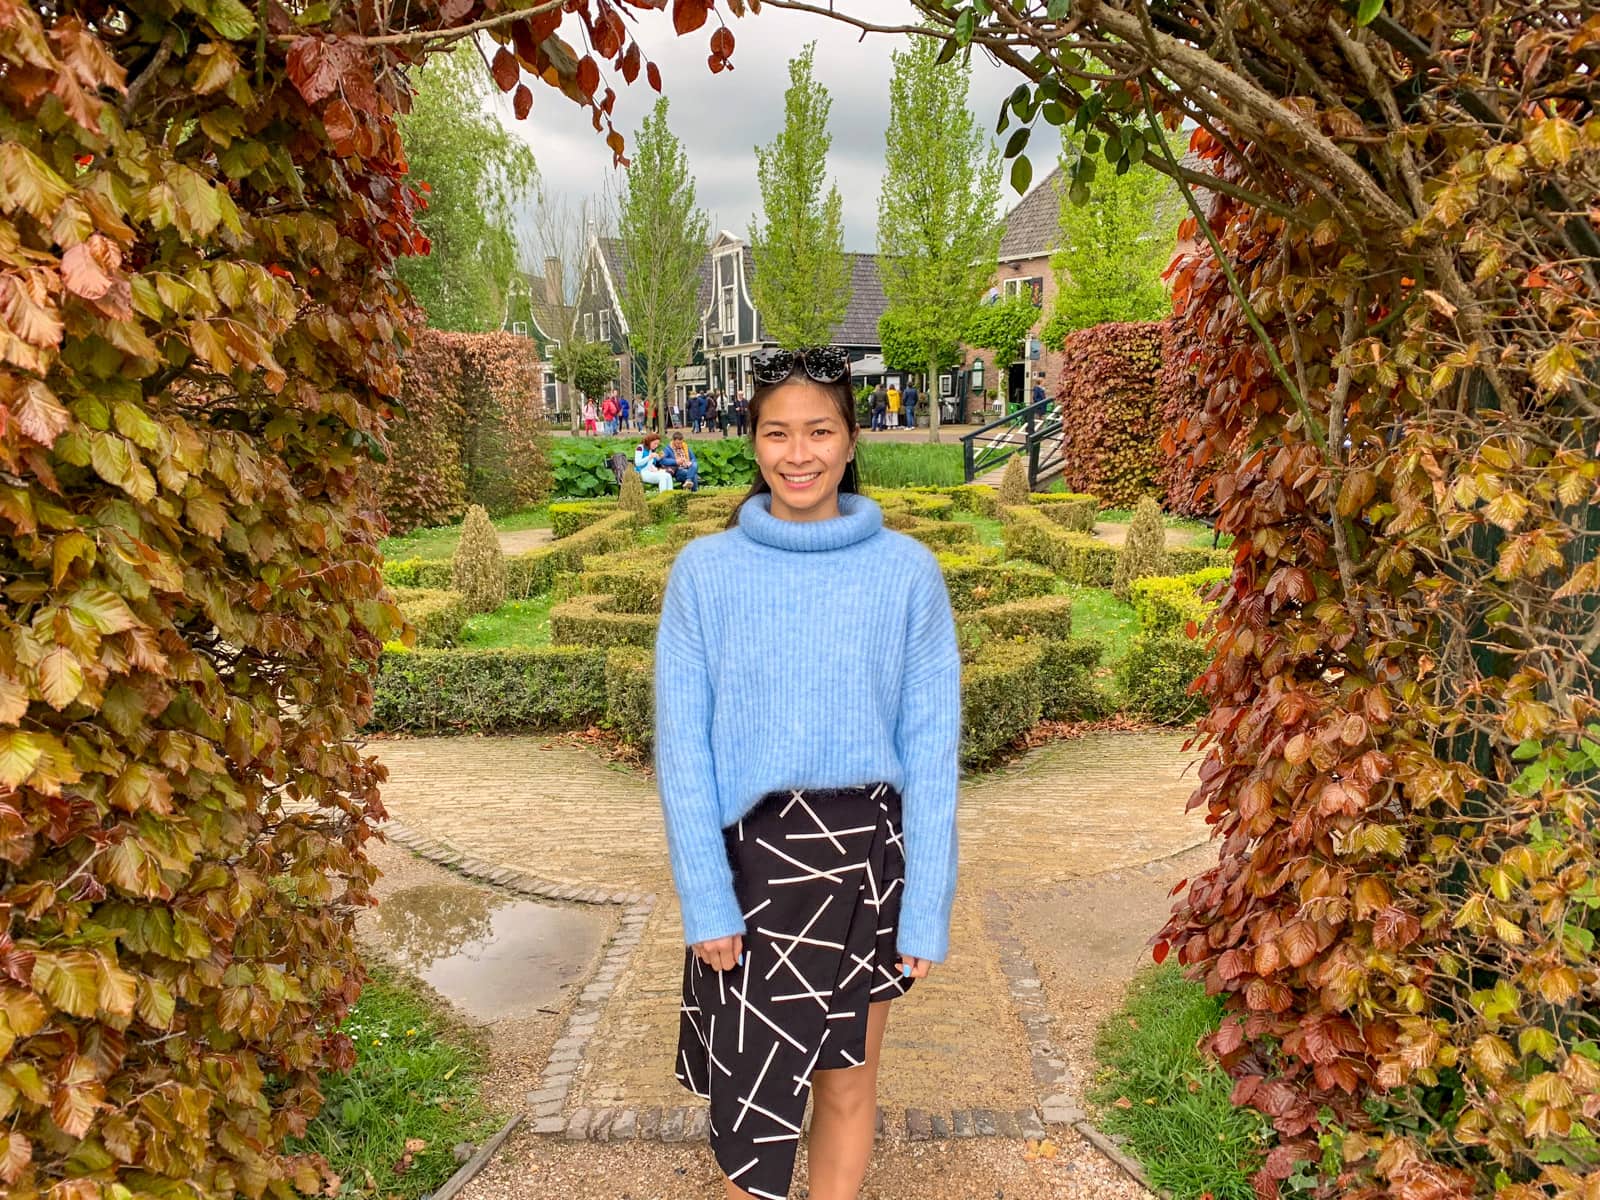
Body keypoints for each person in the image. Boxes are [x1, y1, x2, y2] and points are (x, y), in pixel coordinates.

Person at [655, 344, 960, 1200]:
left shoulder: (907, 575)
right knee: (750, 1107)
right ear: (750, 441)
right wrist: (704, 898)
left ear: (853, 438)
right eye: (777, 432)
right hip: (751, 869)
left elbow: (932, 751)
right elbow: (683, 752)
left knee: (849, 1080)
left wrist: (927, 907)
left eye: (820, 431)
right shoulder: (704, 575)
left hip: (868, 861)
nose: (799, 454)